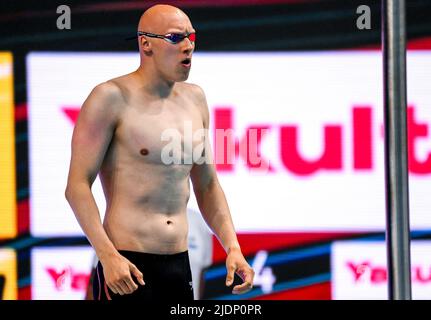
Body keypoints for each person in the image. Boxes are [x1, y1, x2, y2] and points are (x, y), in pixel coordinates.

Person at [65, 4, 254, 301]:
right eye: (176, 38)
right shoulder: (110, 97)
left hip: (179, 263)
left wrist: (232, 247)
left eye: (191, 37)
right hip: (126, 263)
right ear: (146, 44)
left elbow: (207, 184)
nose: (188, 46)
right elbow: (77, 186)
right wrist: (107, 256)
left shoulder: (196, 99)